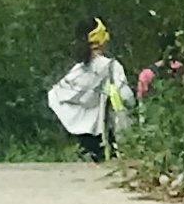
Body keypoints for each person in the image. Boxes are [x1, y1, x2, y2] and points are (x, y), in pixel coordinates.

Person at [46, 20, 132, 158]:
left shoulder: (78, 70)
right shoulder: (111, 66)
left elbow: (56, 95)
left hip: (84, 136)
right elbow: (126, 97)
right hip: (106, 133)